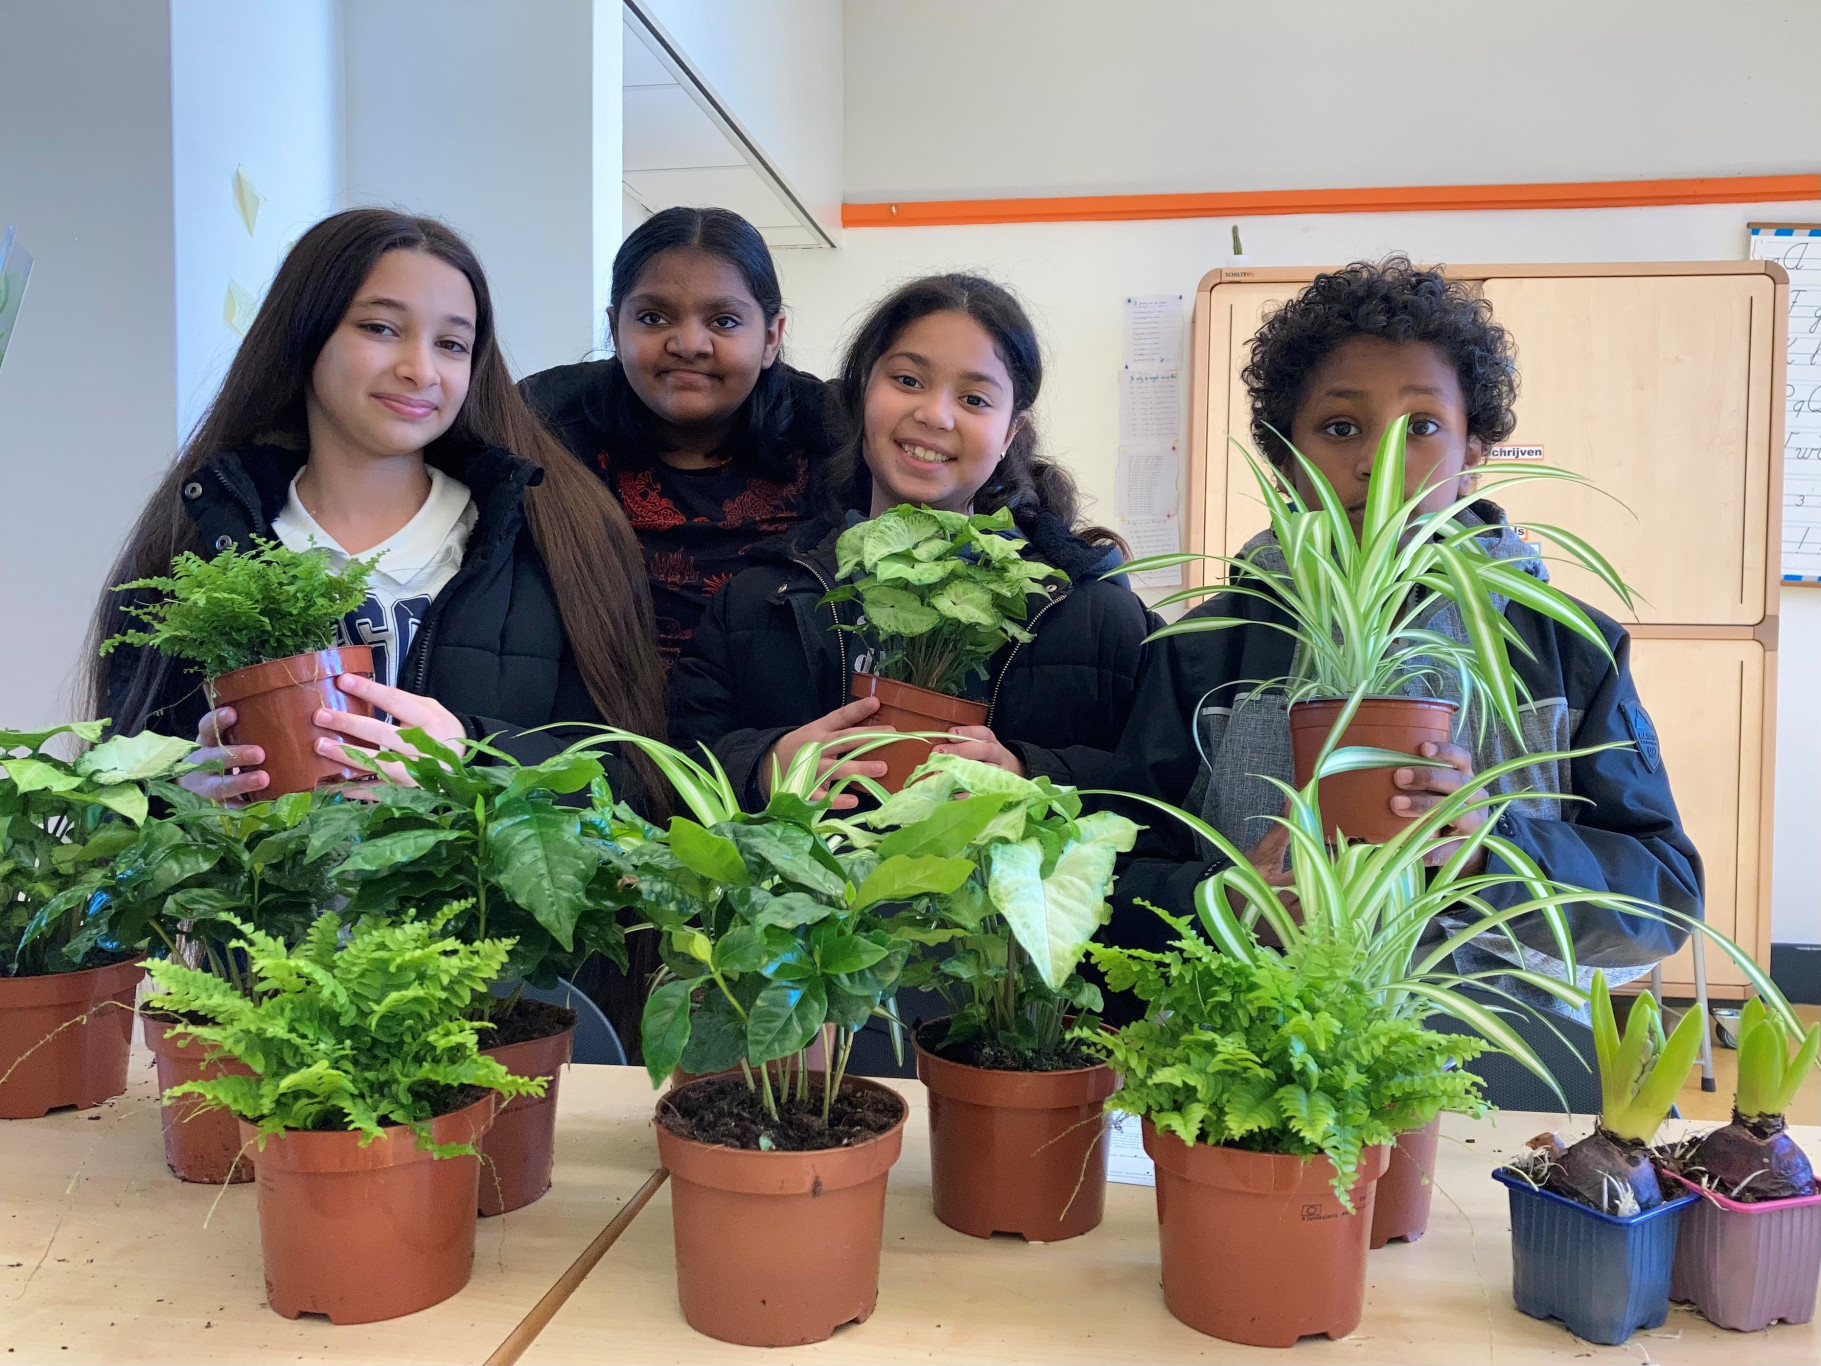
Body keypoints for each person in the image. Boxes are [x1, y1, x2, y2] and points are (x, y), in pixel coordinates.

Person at [83, 207, 669, 1048]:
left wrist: (471, 760)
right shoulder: (203, 543)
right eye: (381, 327)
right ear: (306, 335)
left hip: (494, 1007)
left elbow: (629, 782)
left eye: (452, 343)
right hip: (264, 1008)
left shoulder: (560, 537)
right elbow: (113, 807)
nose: (417, 367)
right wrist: (188, 795)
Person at [1104, 257, 1701, 1012]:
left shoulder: (1567, 648)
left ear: (1471, 457)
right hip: (1259, 1054)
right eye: (1339, 426)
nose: (1376, 460)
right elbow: (1111, 873)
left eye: (1420, 426)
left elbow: (1663, 902)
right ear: (1284, 462)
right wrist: (1226, 902)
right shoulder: (1208, 648)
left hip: (1504, 1059)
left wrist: (1492, 847)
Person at [668, 273, 1154, 809]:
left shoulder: (1094, 613)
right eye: (907, 380)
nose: (935, 414)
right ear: (861, 392)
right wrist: (765, 767)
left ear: (1011, 432)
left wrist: (1026, 774)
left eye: (973, 398)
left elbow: (1160, 793)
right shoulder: (756, 599)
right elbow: (673, 764)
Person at [521, 207, 836, 670]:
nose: (689, 343)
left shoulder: (837, 445)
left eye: (724, 321)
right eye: (652, 318)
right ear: (614, 329)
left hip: (783, 735)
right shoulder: (538, 437)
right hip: (588, 734)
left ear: (771, 336)